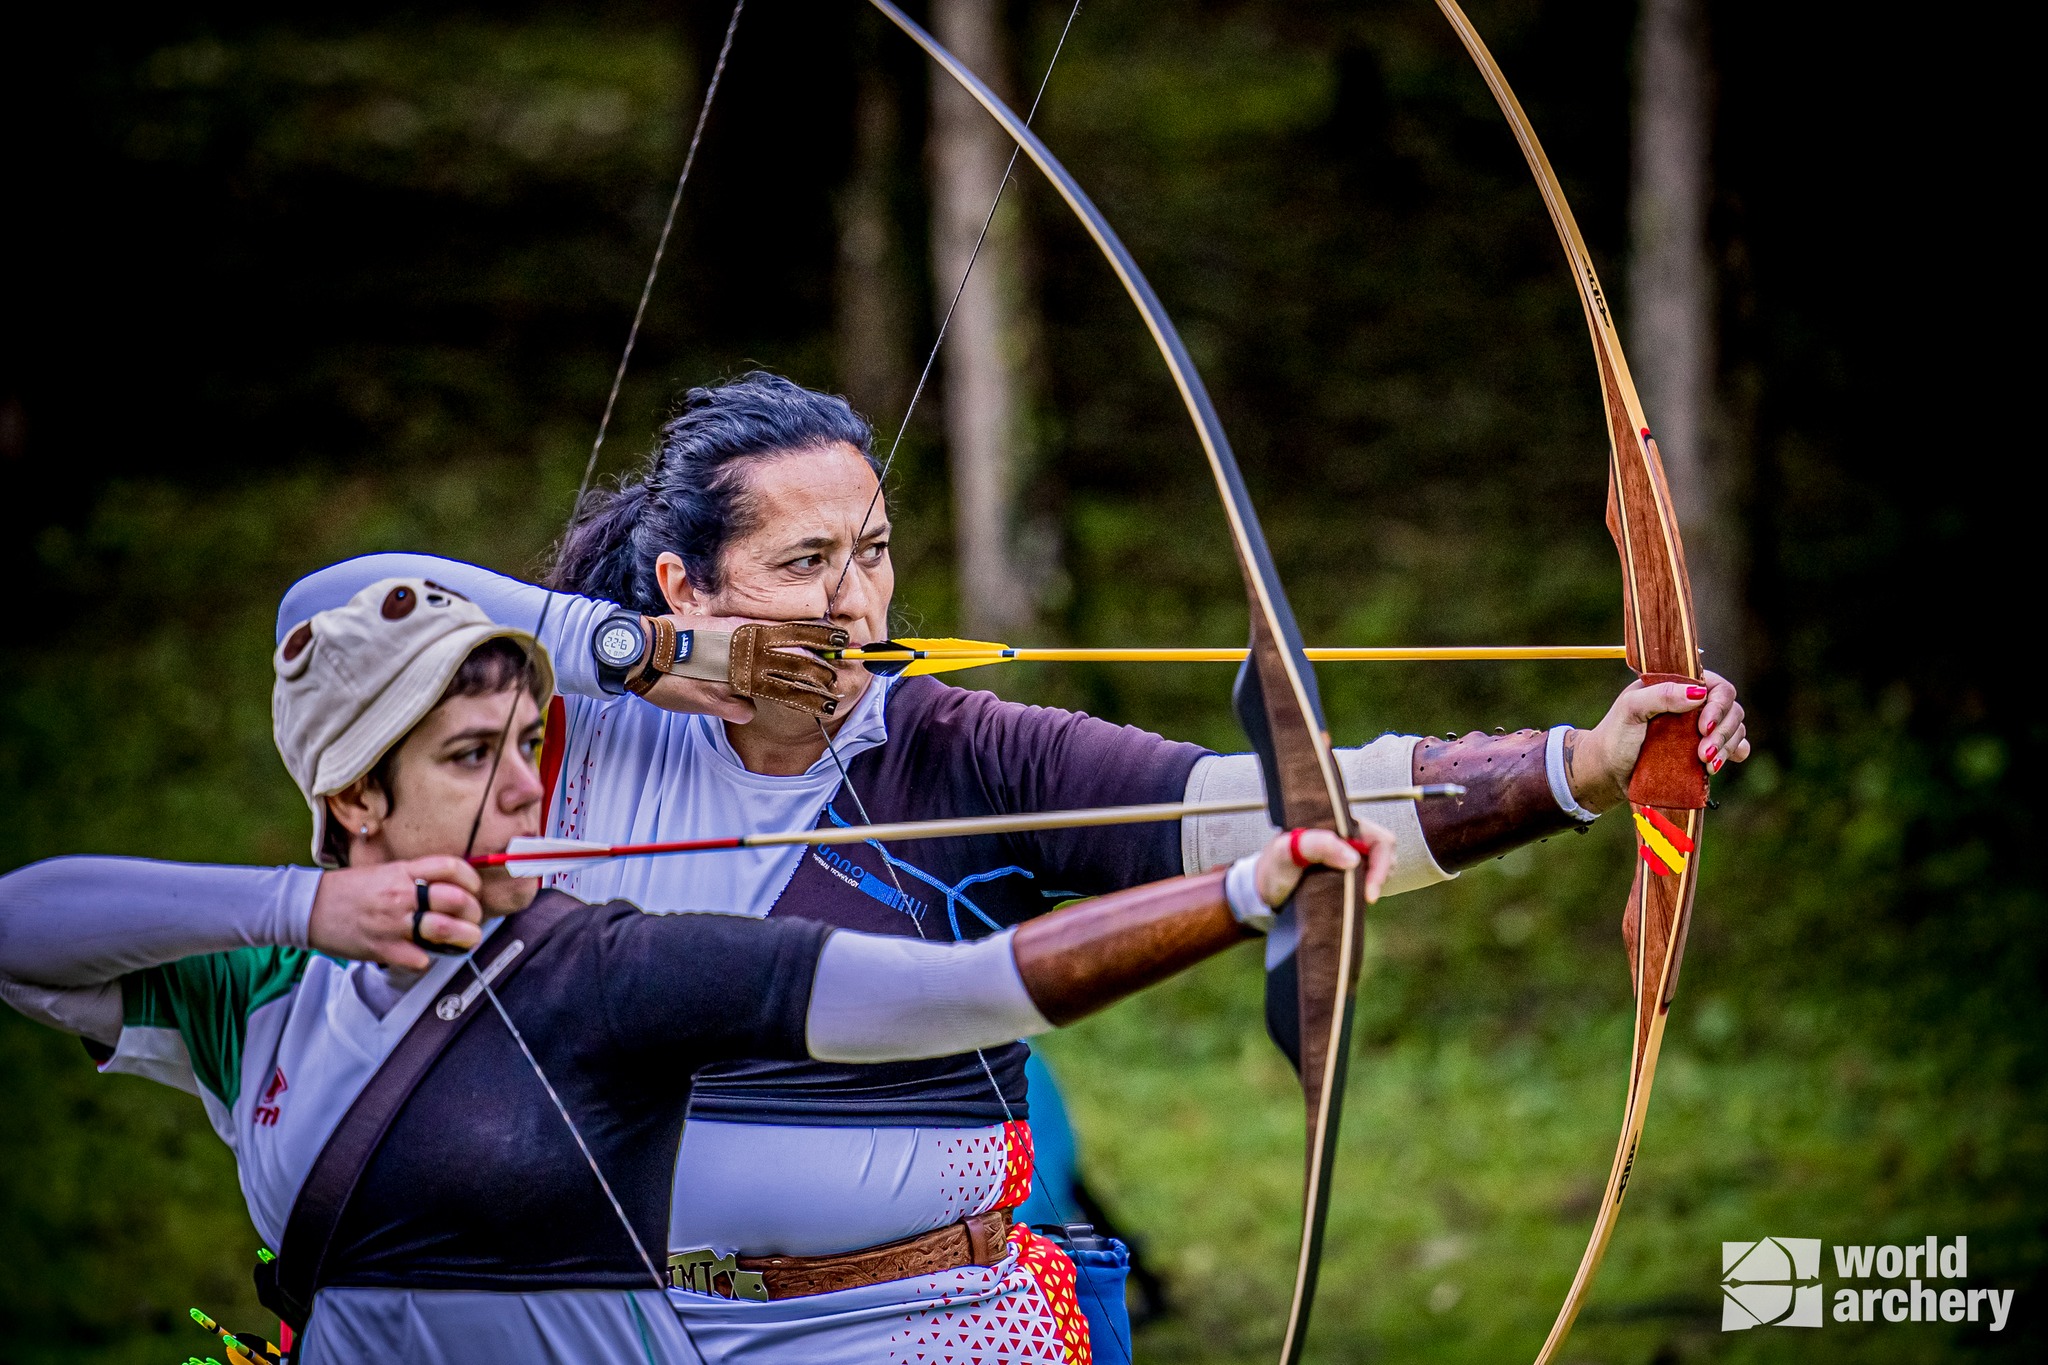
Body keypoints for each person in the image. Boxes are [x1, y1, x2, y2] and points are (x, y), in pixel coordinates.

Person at [274, 373, 1754, 1359]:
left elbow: (1260, 808)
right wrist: (635, 658)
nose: (853, 602)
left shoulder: (963, 751)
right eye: (803, 566)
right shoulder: (568, 728)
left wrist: (1578, 765)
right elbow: (337, 606)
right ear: (686, 584)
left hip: (924, 1322)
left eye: (873, 551)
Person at [0, 577, 1380, 1364]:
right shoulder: (252, 990)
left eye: (534, 743)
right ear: (355, 791)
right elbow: (22, 923)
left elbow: (969, 988)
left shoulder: (605, 968)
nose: (529, 793)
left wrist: (1238, 890)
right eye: (472, 758)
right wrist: (310, 907)